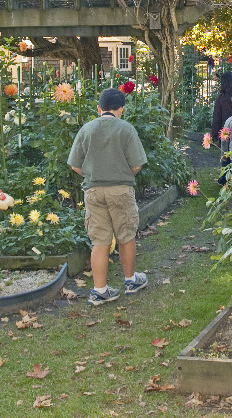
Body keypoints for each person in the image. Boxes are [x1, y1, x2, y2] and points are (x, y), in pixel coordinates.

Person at [68, 88, 149, 305]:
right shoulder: (126, 129)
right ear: (121, 108)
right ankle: (131, 281)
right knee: (126, 235)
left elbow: (75, 165)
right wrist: (121, 174)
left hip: (93, 191)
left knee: (100, 240)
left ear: (99, 108)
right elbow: (137, 165)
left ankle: (99, 290)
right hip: (121, 189)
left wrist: (93, 175)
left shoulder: (86, 129)